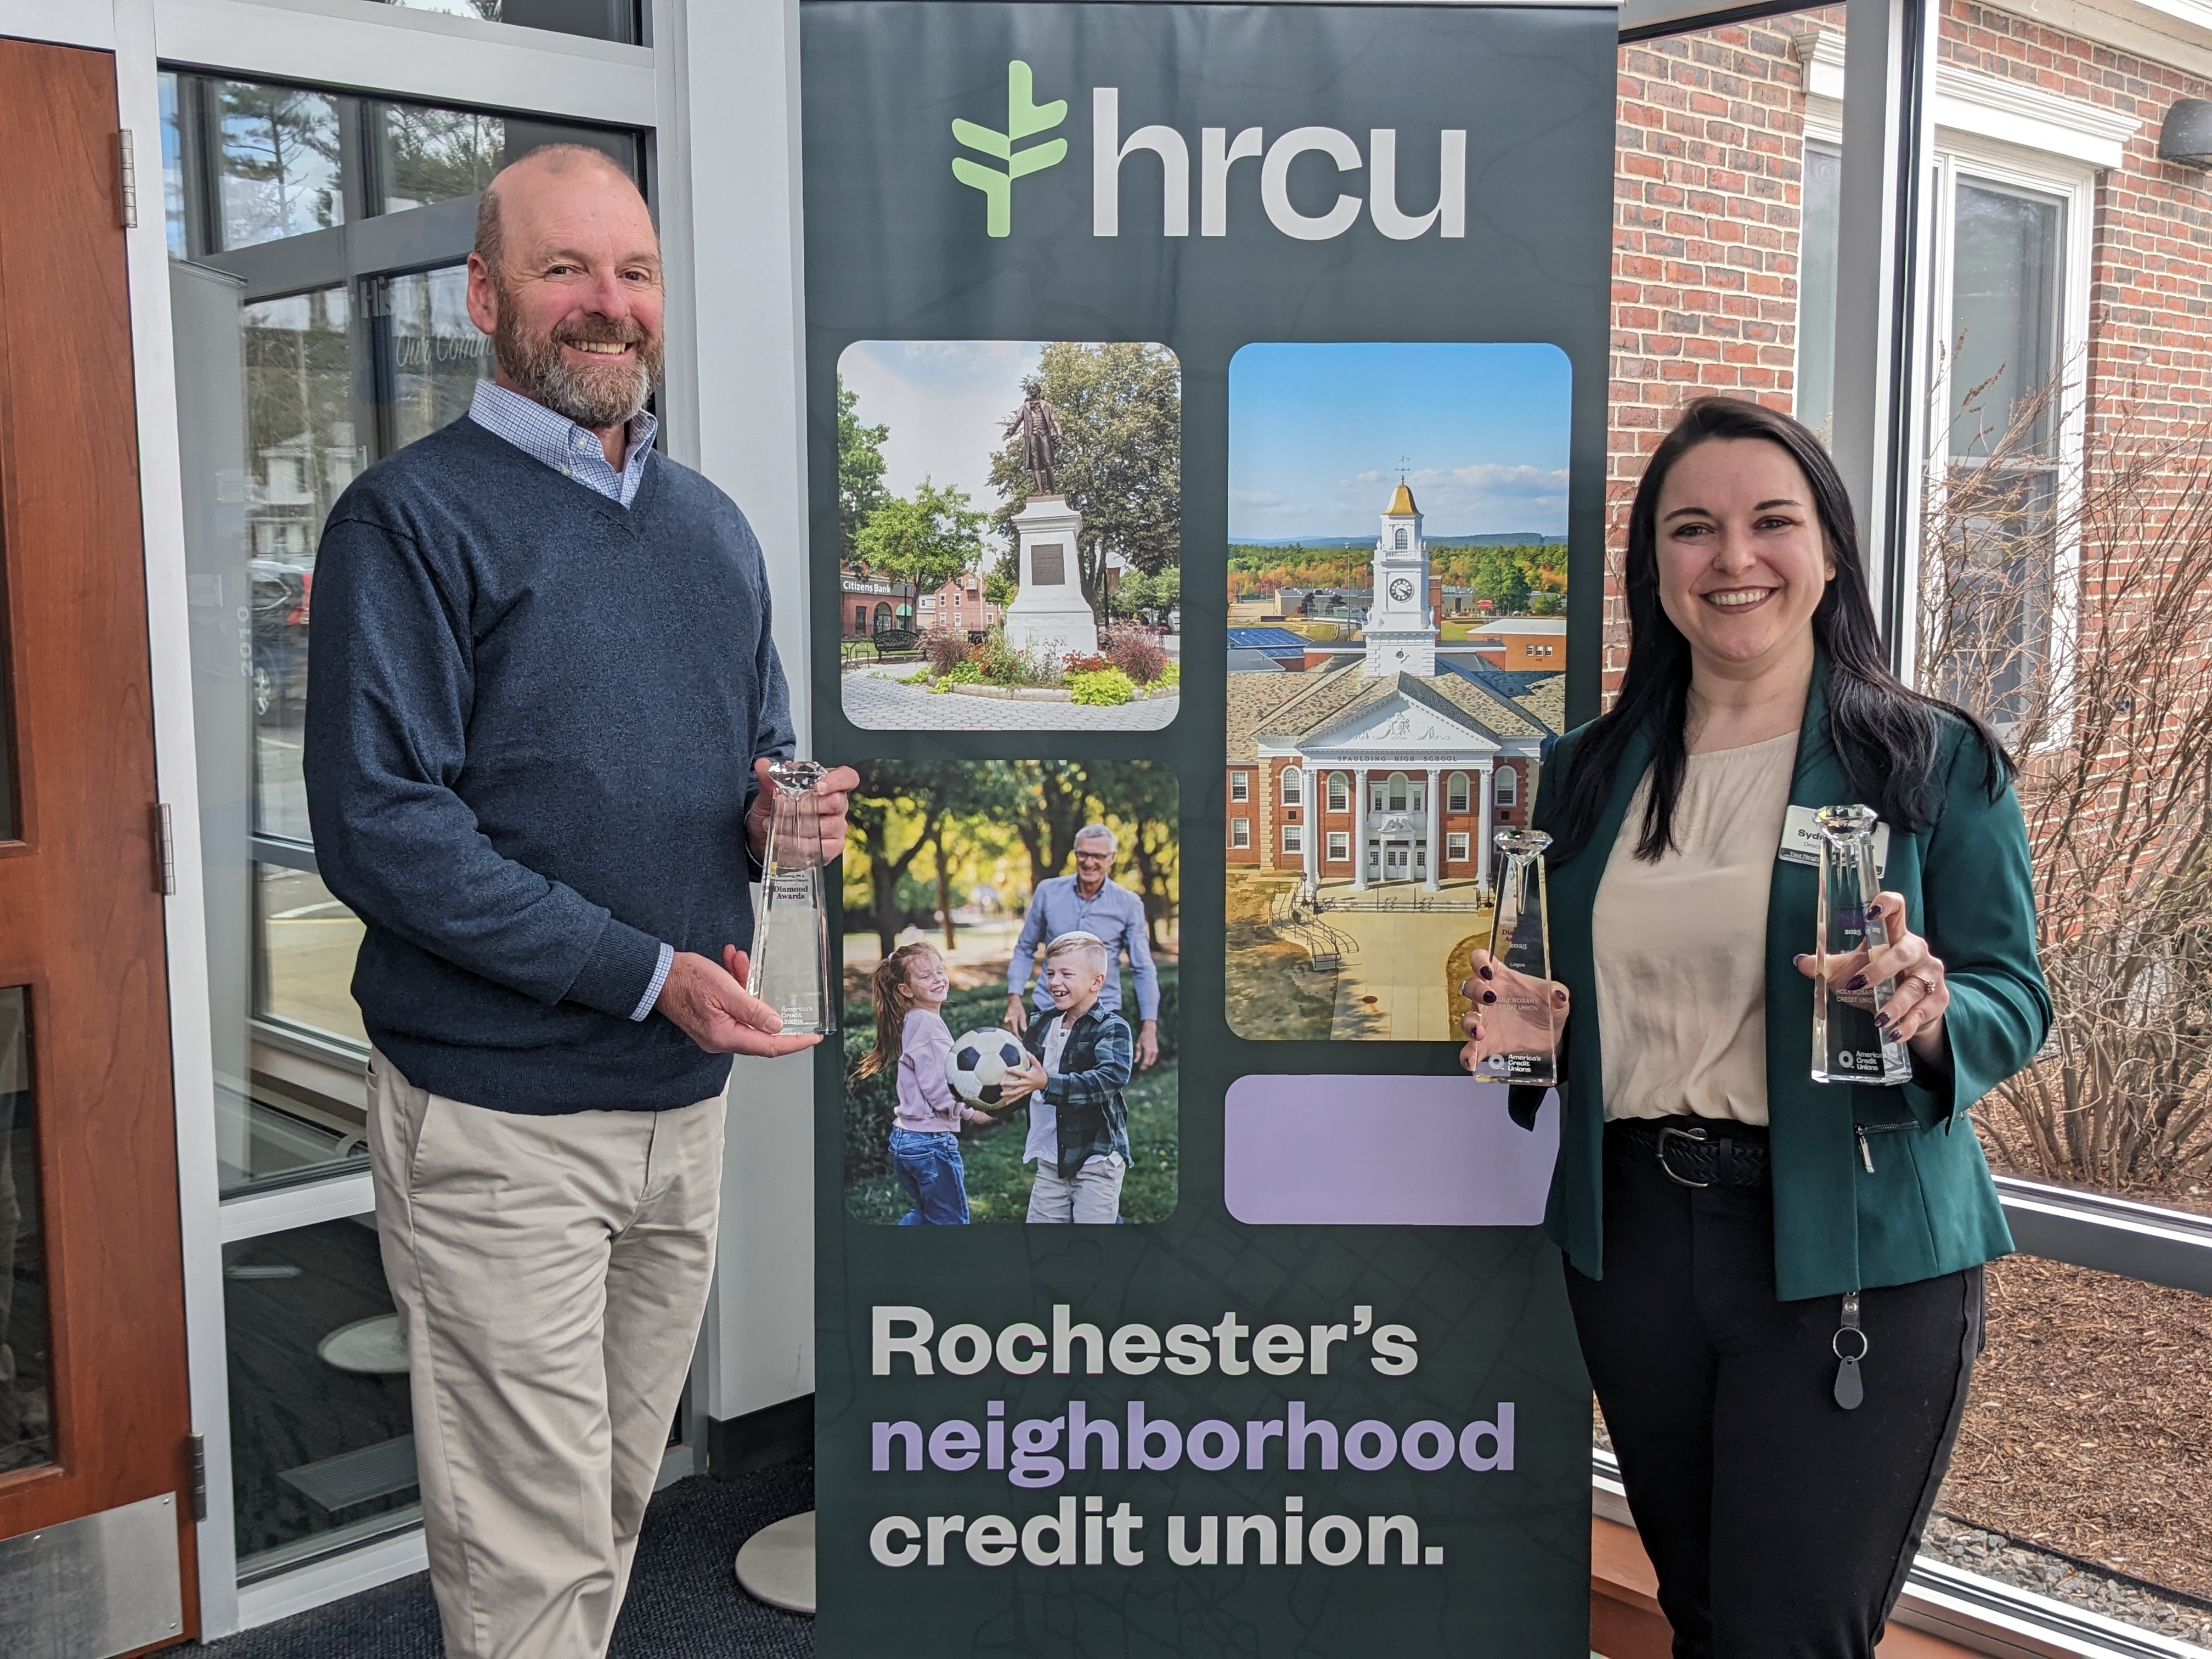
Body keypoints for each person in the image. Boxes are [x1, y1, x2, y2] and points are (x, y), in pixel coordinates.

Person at [302, 144, 857, 1659]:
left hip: (682, 1111)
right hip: (501, 1126)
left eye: (634, 273)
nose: (606, 306)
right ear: (487, 294)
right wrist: (642, 971)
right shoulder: (406, 523)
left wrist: (776, 819)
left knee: (606, 1500)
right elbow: (382, 829)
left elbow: (757, 762)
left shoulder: (709, 526)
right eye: (565, 270)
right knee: (527, 1544)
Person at [1462, 397, 2047, 1658]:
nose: (1734, 559)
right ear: (1652, 568)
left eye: (1772, 522)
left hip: (1850, 1254)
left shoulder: (1933, 761)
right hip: (1636, 1249)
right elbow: (1589, 996)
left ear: (1829, 549)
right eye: (1694, 529)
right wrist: (1538, 1032)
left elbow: (2017, 994)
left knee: (1785, 1640)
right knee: (1706, 1616)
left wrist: (1931, 1006)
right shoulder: (1589, 770)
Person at [998, 932, 1134, 1223]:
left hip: (1096, 1157)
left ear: (1096, 982)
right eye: (1050, 973)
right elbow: (1026, 1080)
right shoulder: (1040, 1024)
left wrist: (1048, 1083)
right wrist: (993, 1108)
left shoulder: (1112, 1029)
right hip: (1051, 1157)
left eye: (1066, 974)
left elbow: (1107, 1080)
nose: (1055, 982)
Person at [855, 941, 990, 1224]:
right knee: (951, 1221)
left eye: (940, 971)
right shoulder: (928, 1025)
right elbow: (939, 1089)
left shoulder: (914, 1019)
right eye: (926, 976)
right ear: (905, 989)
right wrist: (970, 1111)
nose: (938, 979)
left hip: (906, 1140)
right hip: (929, 1143)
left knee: (926, 1214)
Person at [1006, 823, 1161, 1069]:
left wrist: (1149, 1026)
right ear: (1075, 854)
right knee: (1037, 1092)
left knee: (1090, 1095)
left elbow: (1143, 969)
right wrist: (1014, 999)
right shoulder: (1048, 892)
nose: (1089, 863)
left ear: (1112, 859)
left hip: (1099, 1017)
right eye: (1083, 854)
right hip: (1048, 1010)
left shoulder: (1128, 904)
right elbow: (1025, 948)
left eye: (1098, 856)